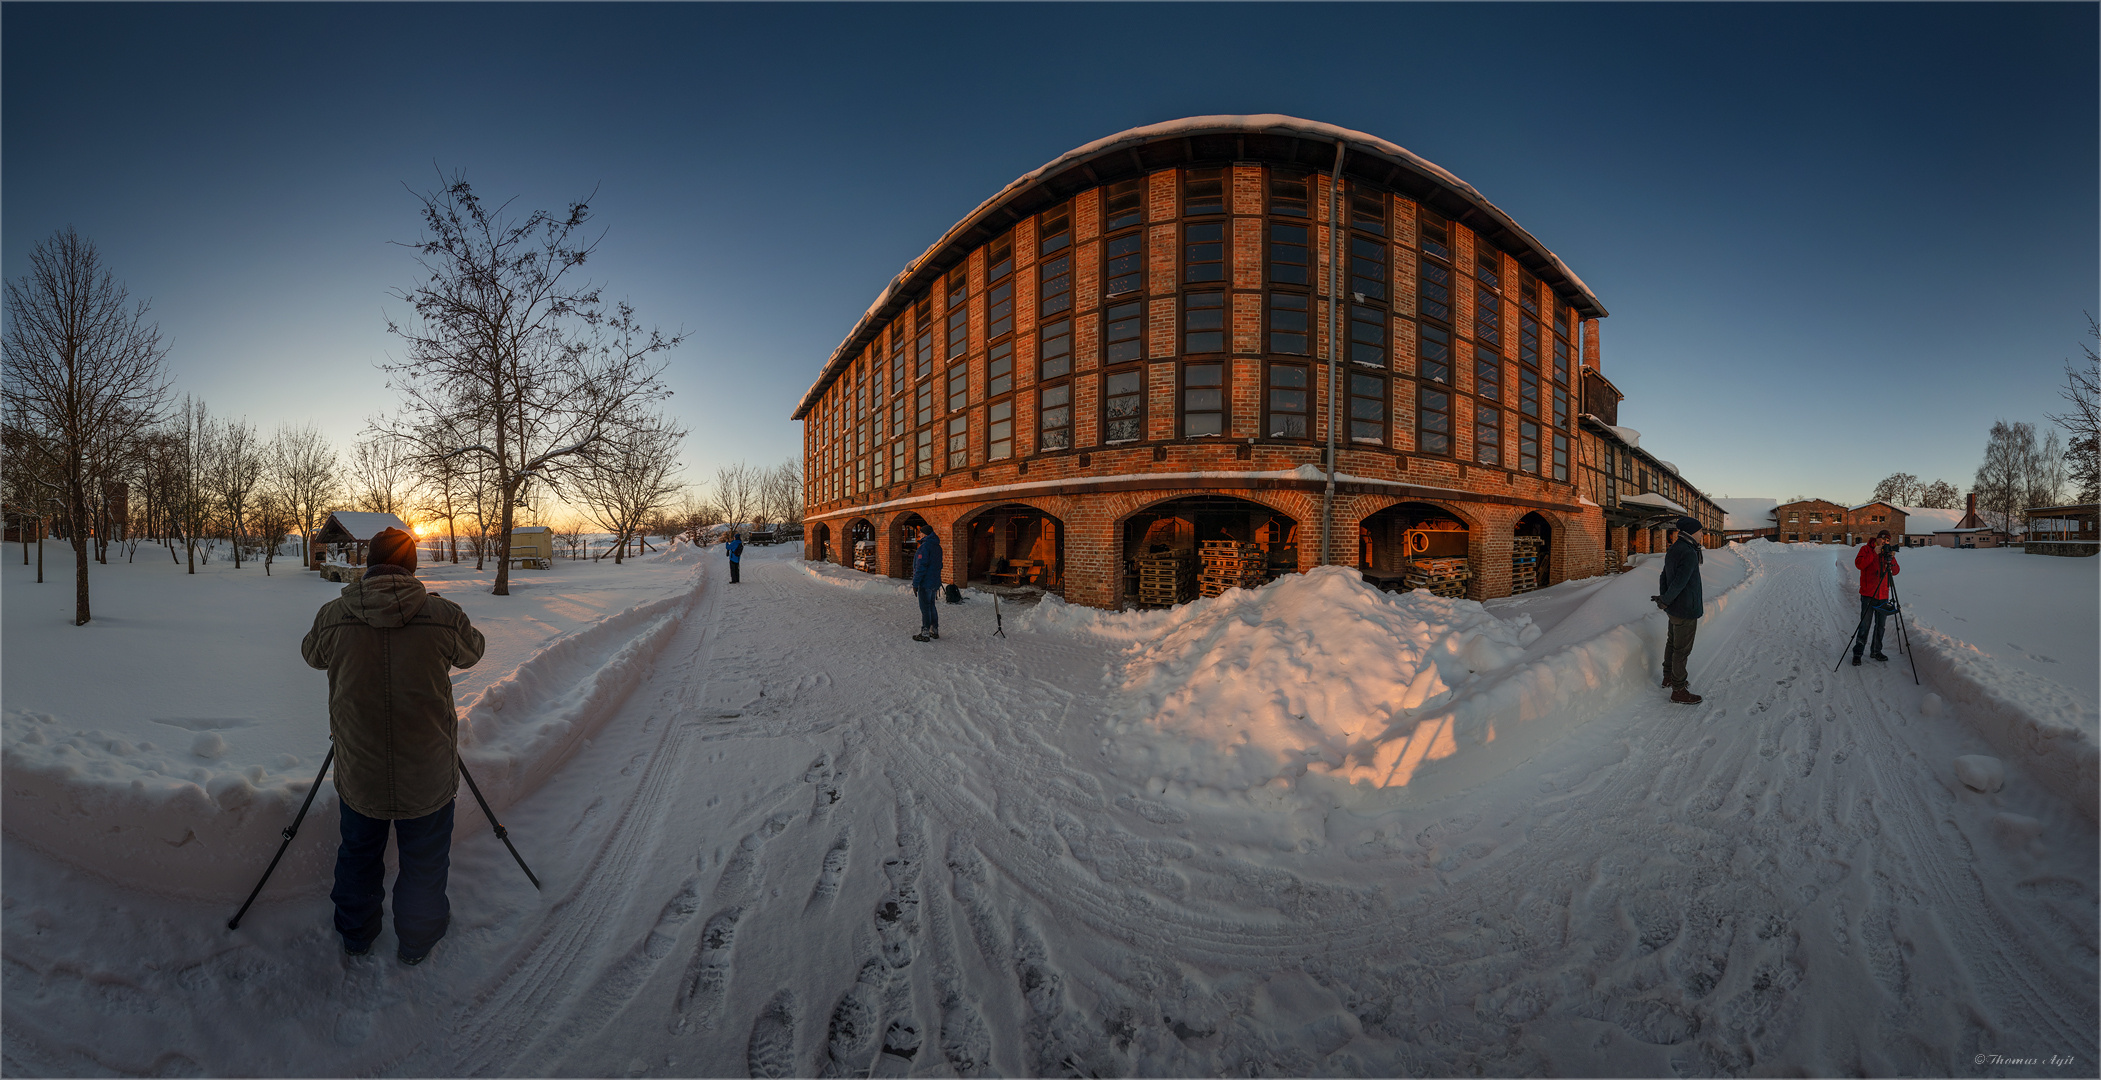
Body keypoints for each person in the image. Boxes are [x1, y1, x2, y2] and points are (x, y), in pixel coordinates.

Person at [301, 526, 485, 965]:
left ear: (369, 565)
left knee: (359, 856)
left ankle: (355, 936)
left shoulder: (333, 615)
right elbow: (473, 652)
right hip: (429, 769)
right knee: (424, 861)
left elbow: (312, 655)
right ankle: (418, 939)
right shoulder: (442, 614)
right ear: (412, 566)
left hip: (361, 768)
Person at [1652, 515, 1706, 704]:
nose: (1702, 534)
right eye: (1700, 531)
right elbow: (1680, 582)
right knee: (1682, 650)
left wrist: (1665, 599)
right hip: (1686, 608)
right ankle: (1679, 689)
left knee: (1672, 643)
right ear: (1692, 532)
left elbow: (1664, 576)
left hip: (1675, 607)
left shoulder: (1675, 548)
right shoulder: (1689, 552)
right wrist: (1666, 599)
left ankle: (1668, 677)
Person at [1851, 529, 1900, 666]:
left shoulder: (1887, 553)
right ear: (1877, 539)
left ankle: (1876, 651)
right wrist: (1874, 553)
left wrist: (1892, 558)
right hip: (1868, 594)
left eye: (1887, 540)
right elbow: (1859, 565)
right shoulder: (1866, 549)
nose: (1884, 542)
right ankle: (1858, 653)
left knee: (1881, 626)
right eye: (1882, 539)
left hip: (1883, 595)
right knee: (1864, 626)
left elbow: (1895, 572)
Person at [911, 523, 943, 642]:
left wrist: (915, 583)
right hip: (934, 581)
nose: (919, 534)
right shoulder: (937, 547)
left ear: (924, 534)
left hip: (925, 582)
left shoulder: (924, 547)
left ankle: (925, 633)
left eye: (920, 532)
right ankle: (934, 630)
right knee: (932, 606)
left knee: (925, 608)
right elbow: (940, 565)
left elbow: (920, 567)